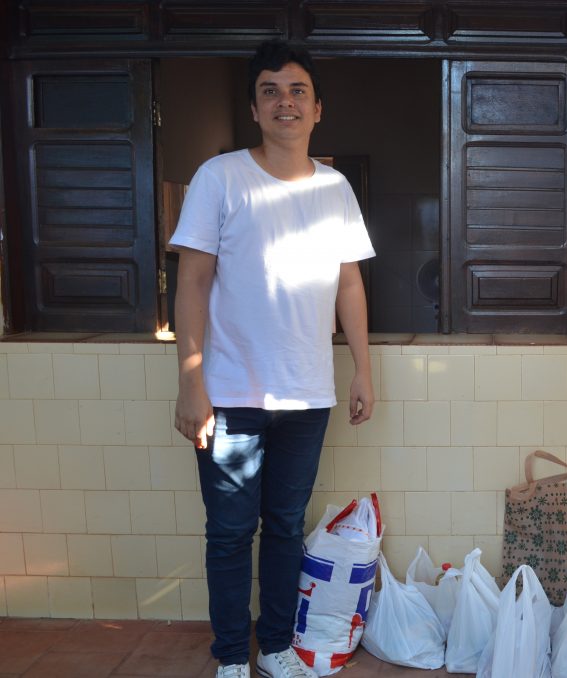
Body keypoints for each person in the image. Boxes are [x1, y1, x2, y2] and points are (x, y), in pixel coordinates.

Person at [170, 40, 375, 678]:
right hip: (229, 395)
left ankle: (278, 646)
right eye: (270, 91)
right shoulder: (220, 177)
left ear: (317, 109)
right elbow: (192, 281)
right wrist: (191, 384)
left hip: (307, 395)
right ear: (254, 109)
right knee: (231, 533)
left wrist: (363, 369)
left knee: (286, 527)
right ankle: (233, 656)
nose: (285, 102)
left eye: (297, 91)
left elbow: (349, 284)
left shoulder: (336, 188)